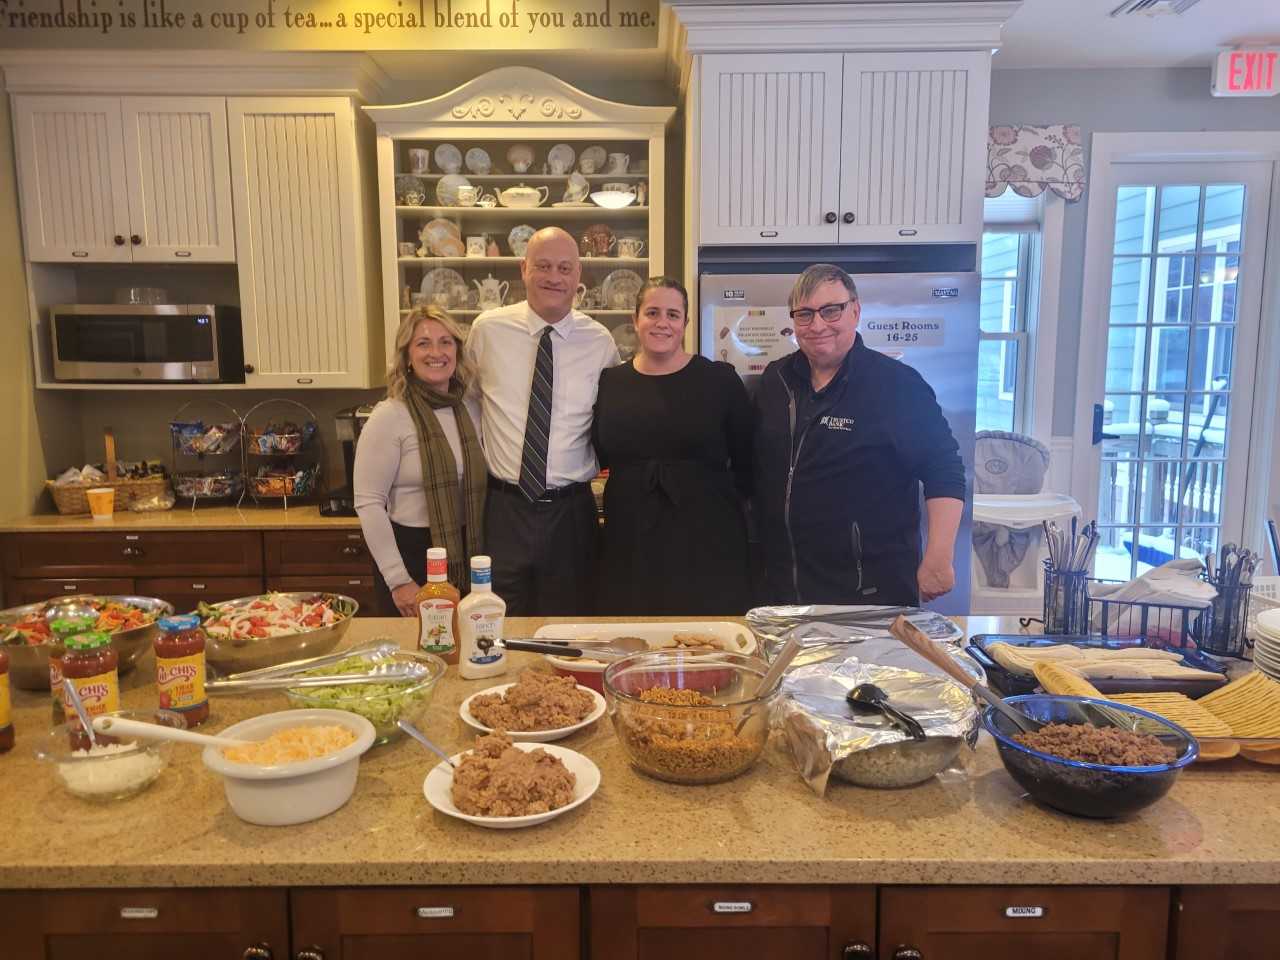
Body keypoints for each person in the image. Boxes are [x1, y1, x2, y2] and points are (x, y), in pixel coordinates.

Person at [753, 263, 966, 606]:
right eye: (805, 314)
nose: (817, 325)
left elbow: (944, 470)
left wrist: (939, 557)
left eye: (831, 310)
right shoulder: (776, 379)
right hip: (785, 591)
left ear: (855, 311)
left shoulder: (897, 385)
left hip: (870, 592)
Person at [467, 226, 620, 615]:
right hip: (504, 510)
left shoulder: (600, 342)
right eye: (543, 266)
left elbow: (614, 418)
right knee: (496, 621)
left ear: (578, 275)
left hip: (571, 515)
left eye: (565, 268)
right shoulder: (487, 330)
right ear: (524, 269)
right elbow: (467, 404)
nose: (554, 277)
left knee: (569, 627)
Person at [592, 277, 753, 615]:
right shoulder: (610, 382)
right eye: (652, 312)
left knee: (705, 634)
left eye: (673, 314)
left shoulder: (719, 380)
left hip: (706, 536)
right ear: (636, 319)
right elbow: (601, 451)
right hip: (630, 537)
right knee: (633, 631)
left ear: (685, 323)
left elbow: (747, 461)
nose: (662, 323)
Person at [354, 306, 486, 616]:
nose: (436, 353)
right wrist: (398, 580)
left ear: (457, 351)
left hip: (466, 552)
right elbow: (369, 502)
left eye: (445, 342)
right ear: (407, 356)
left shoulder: (470, 408)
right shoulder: (390, 416)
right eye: (423, 343)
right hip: (410, 556)